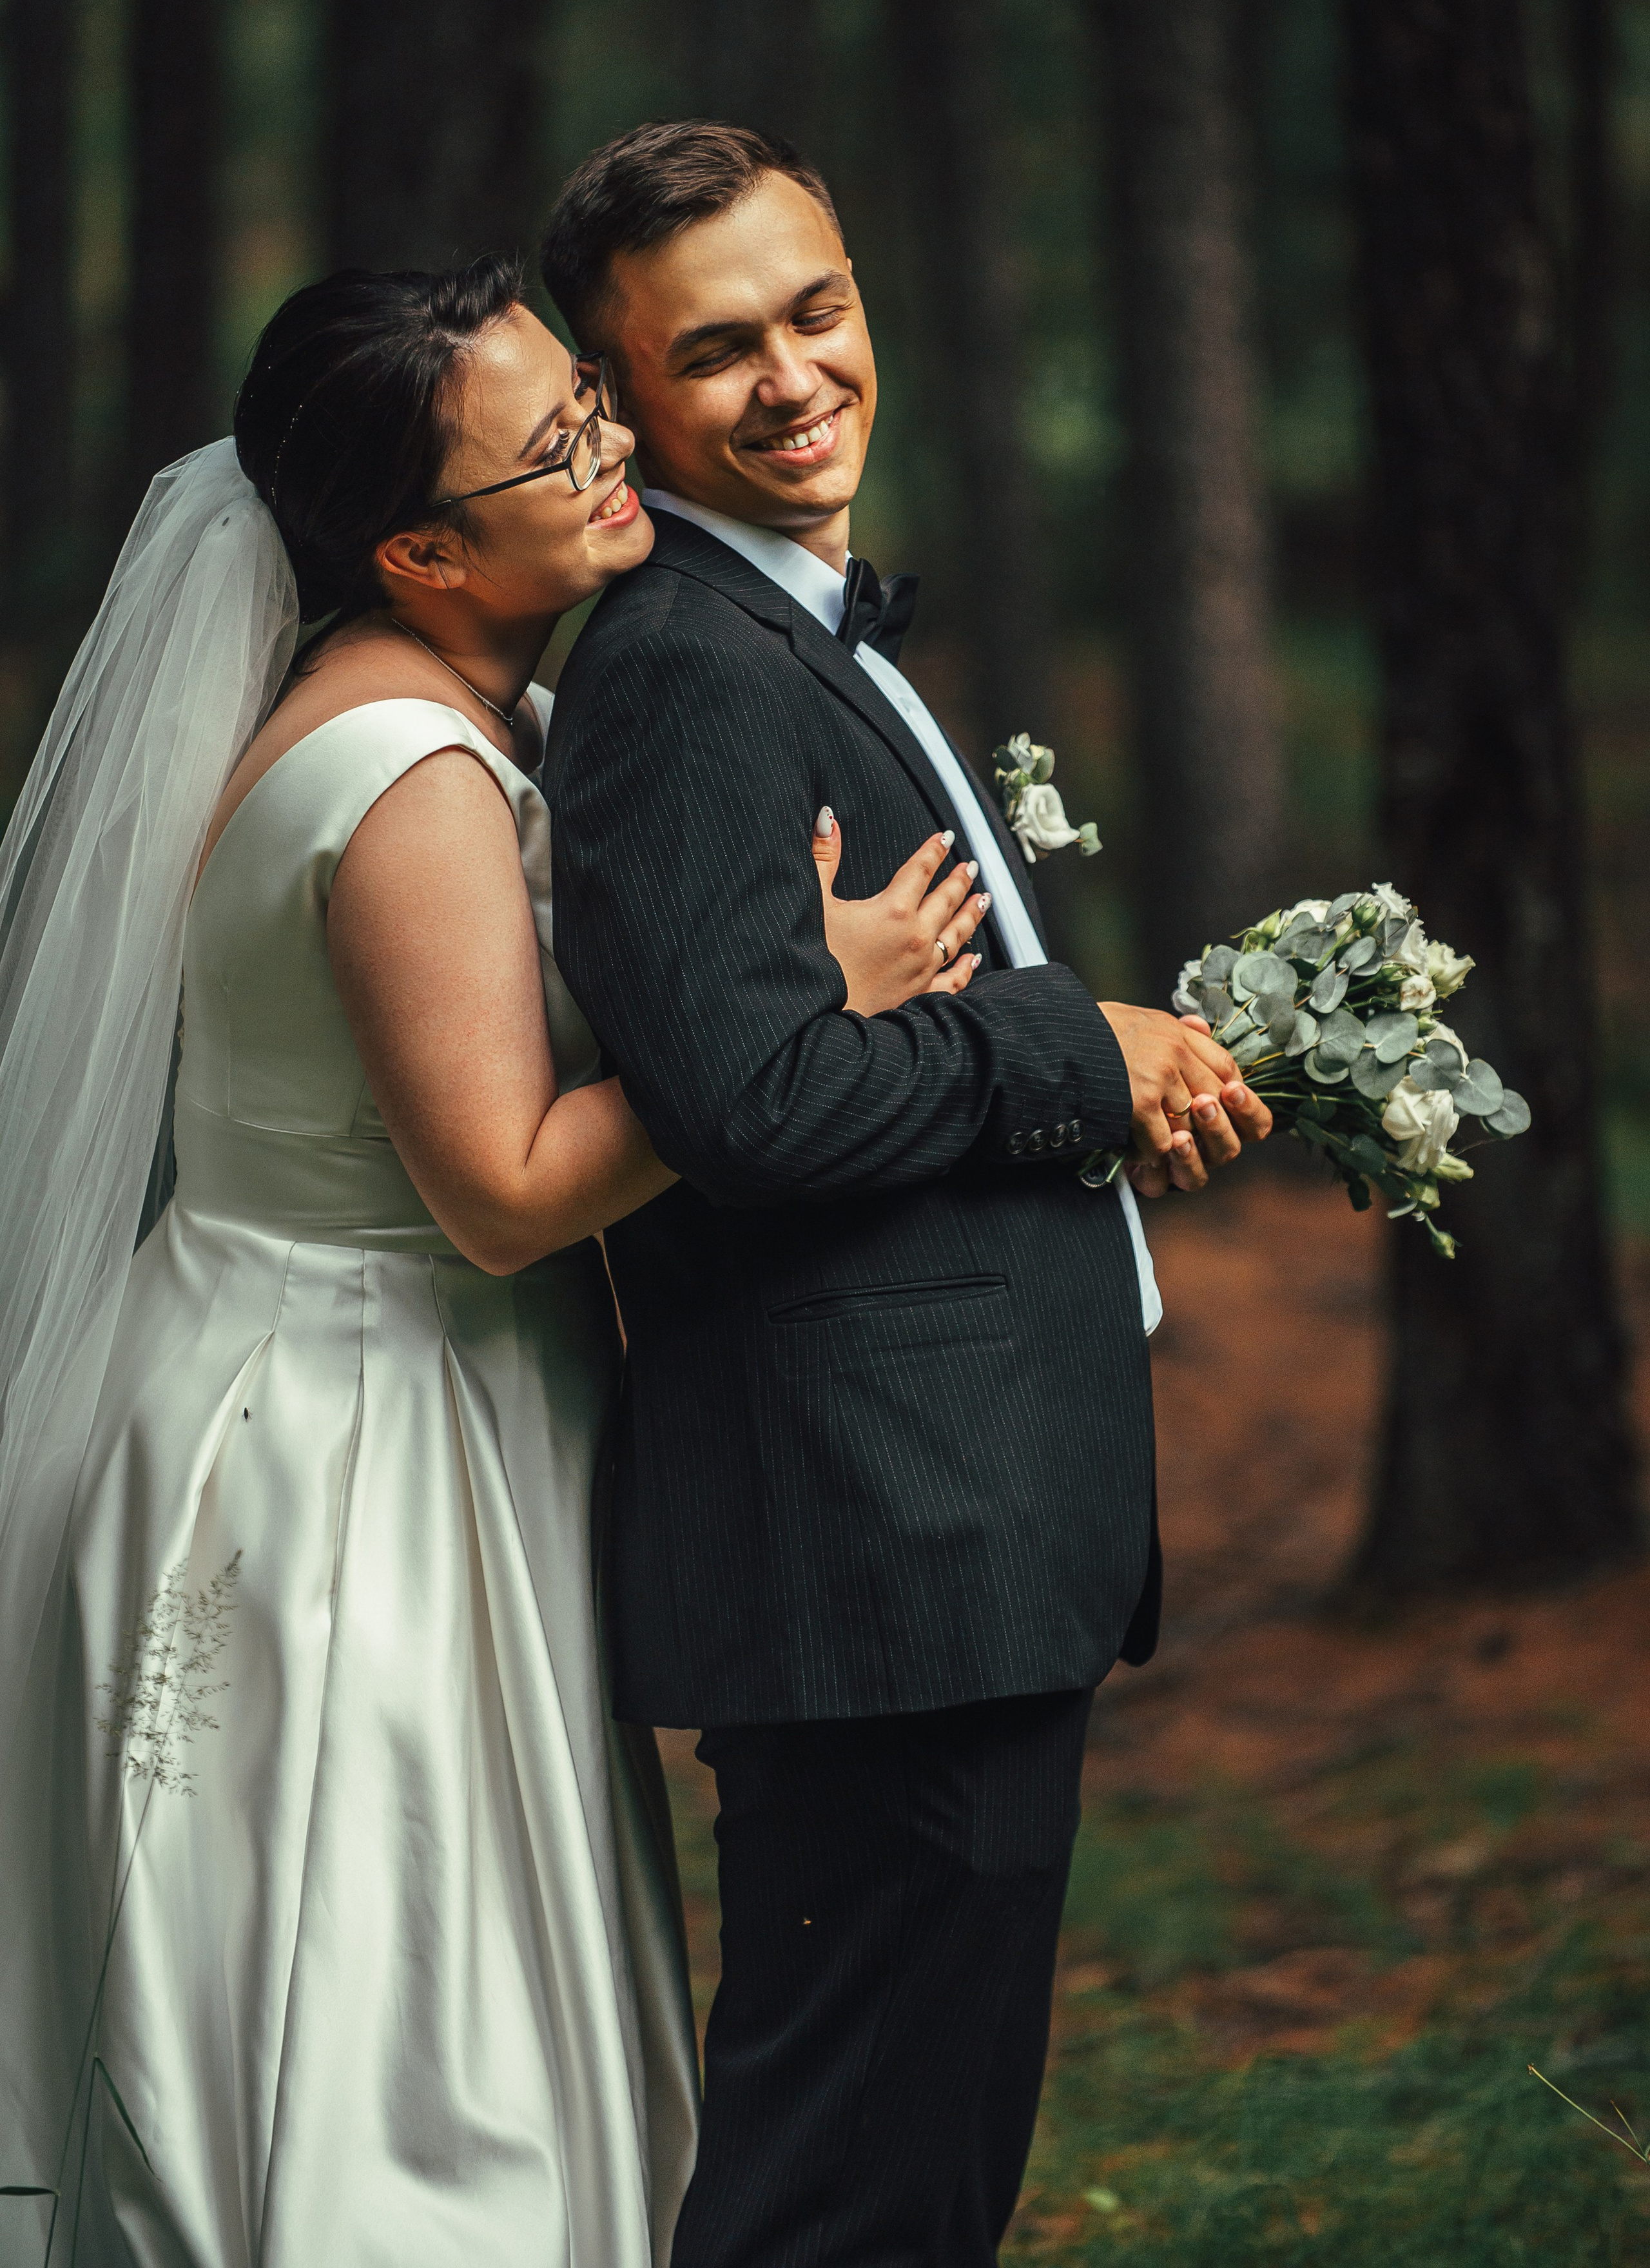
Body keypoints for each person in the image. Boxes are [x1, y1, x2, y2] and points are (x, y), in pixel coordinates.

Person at [0, 257, 984, 2267]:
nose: (616, 459)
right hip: (340, 1451)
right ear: (416, 547)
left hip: (394, 1386)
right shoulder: (414, 779)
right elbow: (510, 1189)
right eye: (558, 451)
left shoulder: (456, 698)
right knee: (376, 2019)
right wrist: (815, 997)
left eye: (592, 413)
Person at [538, 121, 1274, 2267]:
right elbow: (750, 1104)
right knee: (849, 2196)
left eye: (819, 312)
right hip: (875, 1553)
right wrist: (1076, 1051)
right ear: (627, 406)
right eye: (715, 353)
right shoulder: (680, 672)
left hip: (943, 1534)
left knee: (914, 2179)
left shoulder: (795, 634)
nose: (794, 379)